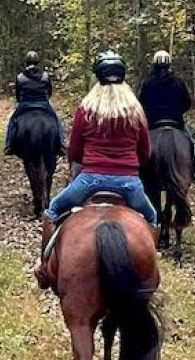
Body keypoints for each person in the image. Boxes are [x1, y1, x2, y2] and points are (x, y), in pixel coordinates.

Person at [40, 50, 158, 233]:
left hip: (90, 180)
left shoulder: (87, 109)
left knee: (54, 208)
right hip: (129, 184)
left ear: (97, 78)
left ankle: (47, 252)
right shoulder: (135, 110)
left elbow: (75, 151)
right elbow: (145, 152)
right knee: (152, 217)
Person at [138, 49, 195, 180]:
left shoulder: (147, 82)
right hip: (175, 123)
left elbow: (141, 104)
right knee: (191, 142)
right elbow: (187, 103)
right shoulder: (179, 81)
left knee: (138, 143)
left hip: (153, 124)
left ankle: (136, 167)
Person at [4, 51, 66, 156]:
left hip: (25, 104)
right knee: (56, 119)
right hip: (43, 103)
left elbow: (18, 95)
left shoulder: (20, 77)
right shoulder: (45, 76)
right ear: (38, 61)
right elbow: (49, 92)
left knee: (12, 120)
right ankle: (61, 144)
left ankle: (9, 145)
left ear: (26, 62)